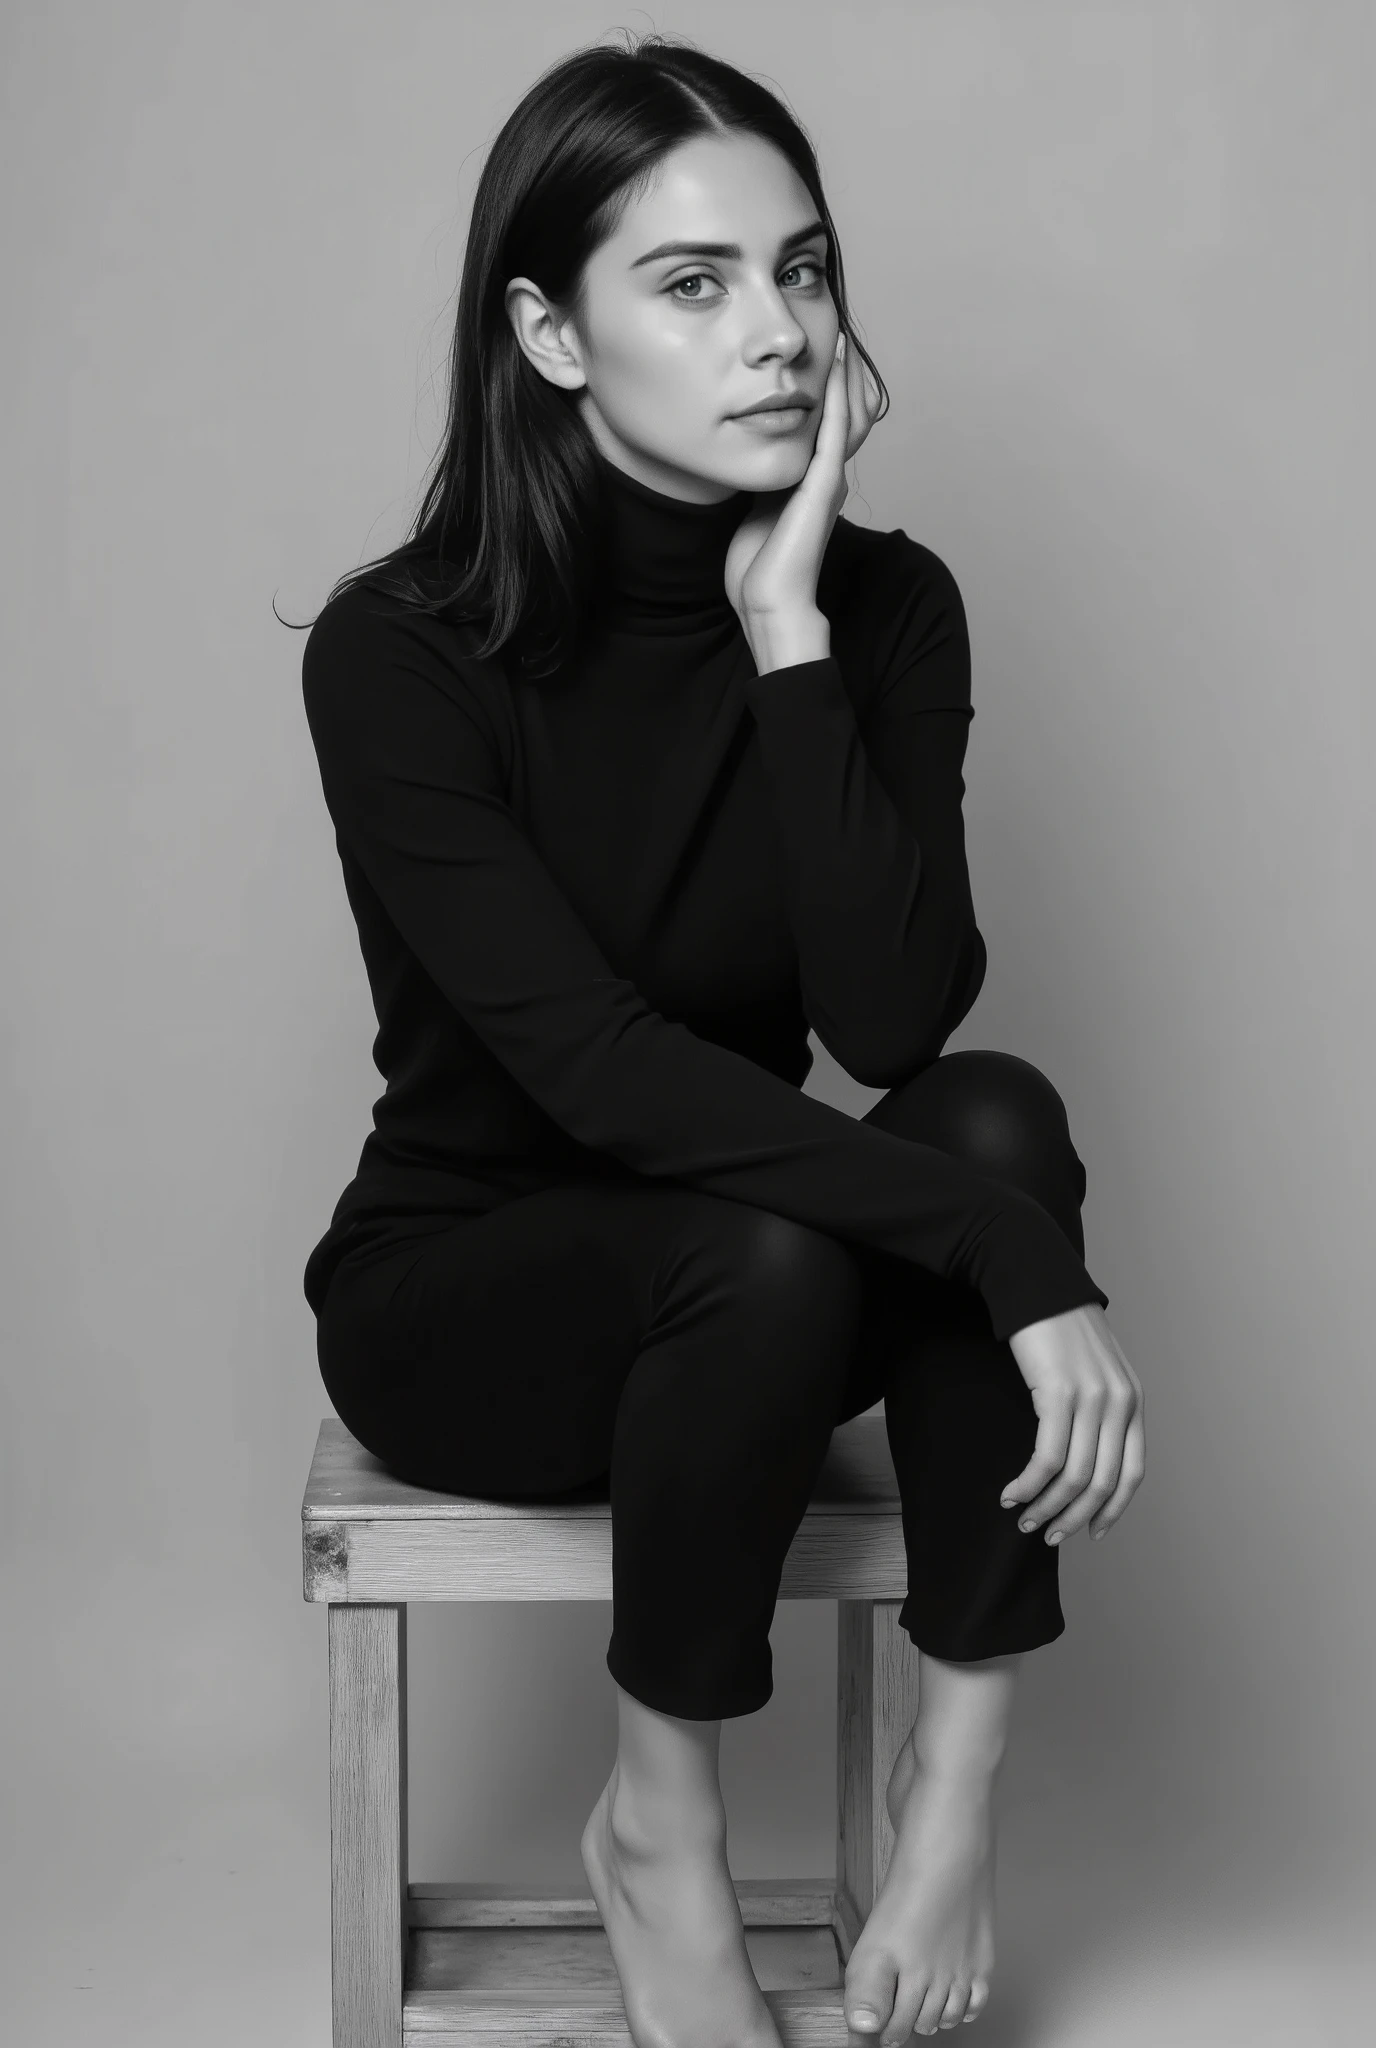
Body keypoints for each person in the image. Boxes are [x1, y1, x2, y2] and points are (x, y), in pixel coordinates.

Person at [288, 32, 1146, 2048]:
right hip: (472, 1291)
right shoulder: (402, 651)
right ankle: (655, 1836)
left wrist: (787, 639)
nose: (775, 332)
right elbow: (593, 1071)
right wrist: (1005, 1262)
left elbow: (890, 1017)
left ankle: (963, 1770)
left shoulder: (885, 610)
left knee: (992, 1113)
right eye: (694, 284)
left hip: (741, 1267)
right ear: (551, 335)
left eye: (805, 270)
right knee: (809, 1231)